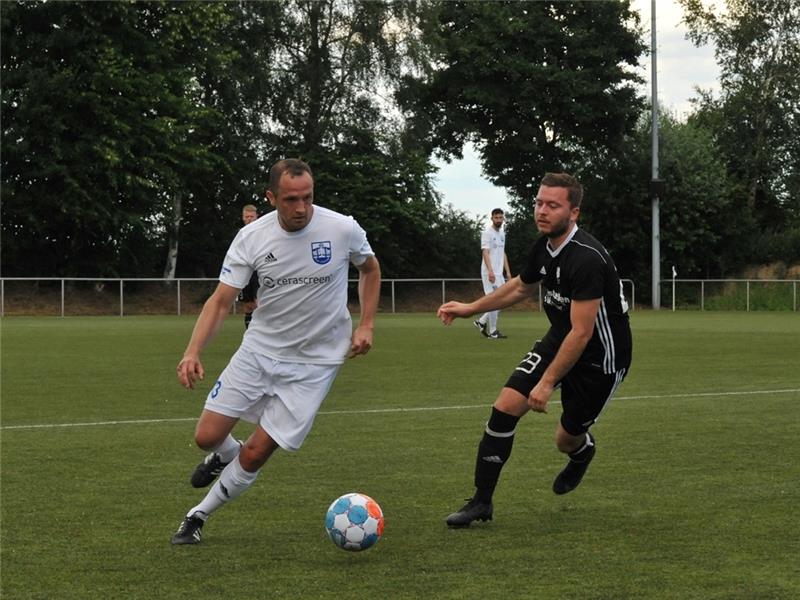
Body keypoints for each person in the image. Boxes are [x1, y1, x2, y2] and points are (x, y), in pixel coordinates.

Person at [171, 158, 381, 545]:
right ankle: (221, 455)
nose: (301, 208)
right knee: (206, 436)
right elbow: (220, 302)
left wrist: (366, 323)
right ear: (271, 198)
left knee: (255, 453)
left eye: (307, 198)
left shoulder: (341, 228)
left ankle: (197, 516)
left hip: (316, 363)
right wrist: (192, 350)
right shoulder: (251, 237)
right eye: (290, 200)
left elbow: (370, 268)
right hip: (260, 350)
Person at [437, 172, 632, 528]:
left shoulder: (586, 259)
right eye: (539, 202)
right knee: (505, 406)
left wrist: (546, 383)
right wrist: (471, 307)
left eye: (552, 205)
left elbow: (584, 332)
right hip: (563, 335)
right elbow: (519, 288)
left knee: (565, 438)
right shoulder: (543, 245)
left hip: (600, 357)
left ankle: (582, 451)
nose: (542, 211)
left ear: (574, 213)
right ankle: (481, 502)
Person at [474, 208, 512, 339]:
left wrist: (508, 272)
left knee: (503, 301)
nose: (499, 220)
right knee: (495, 301)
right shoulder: (487, 233)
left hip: (499, 273)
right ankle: (493, 331)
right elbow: (485, 252)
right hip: (489, 273)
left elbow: (503, 253)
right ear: (492, 218)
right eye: (496, 218)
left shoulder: (502, 234)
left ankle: (481, 321)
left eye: (501, 218)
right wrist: (490, 271)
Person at [238, 204, 260, 329]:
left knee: (260, 304)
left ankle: (263, 335)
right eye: (246, 216)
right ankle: (249, 334)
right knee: (248, 306)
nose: (249, 219)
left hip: (260, 273)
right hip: (245, 274)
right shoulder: (240, 235)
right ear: (243, 218)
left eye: (252, 216)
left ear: (257, 217)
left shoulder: (264, 233)